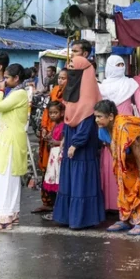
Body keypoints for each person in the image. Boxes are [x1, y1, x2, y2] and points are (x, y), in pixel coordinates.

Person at [94, 98, 140, 236]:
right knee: (123, 180)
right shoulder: (102, 130)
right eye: (96, 117)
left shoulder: (123, 126)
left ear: (111, 117)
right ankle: (125, 219)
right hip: (130, 153)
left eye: (99, 117)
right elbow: (111, 148)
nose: (96, 120)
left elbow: (135, 146)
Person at [53, 56, 105, 229]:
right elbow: (69, 120)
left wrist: (75, 144)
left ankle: (80, 219)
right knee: (71, 180)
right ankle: (68, 217)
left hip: (81, 148)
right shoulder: (72, 95)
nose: (70, 73)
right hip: (70, 144)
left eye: (73, 69)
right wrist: (65, 140)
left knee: (80, 181)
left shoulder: (88, 98)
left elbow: (86, 125)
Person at [0, 64, 31, 231]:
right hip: (9, 140)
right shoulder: (17, 93)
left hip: (10, 141)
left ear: (16, 79)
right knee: (9, 178)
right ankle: (11, 214)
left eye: (7, 78)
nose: (4, 81)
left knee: (5, 179)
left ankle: (4, 217)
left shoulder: (19, 93)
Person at [98, 55, 139, 212]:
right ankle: (111, 204)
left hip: (128, 130)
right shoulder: (102, 87)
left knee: (127, 165)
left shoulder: (130, 84)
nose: (121, 67)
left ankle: (127, 204)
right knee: (111, 164)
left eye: (122, 64)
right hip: (109, 131)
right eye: (117, 65)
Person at [34, 69, 67, 214]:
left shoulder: (70, 95)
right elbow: (48, 112)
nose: (60, 81)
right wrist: (44, 128)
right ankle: (47, 202)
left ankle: (58, 205)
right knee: (46, 168)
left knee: (58, 172)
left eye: (64, 78)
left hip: (61, 134)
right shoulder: (54, 91)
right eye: (59, 78)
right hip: (49, 132)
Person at [41, 102, 65, 208]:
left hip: (59, 155)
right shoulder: (55, 125)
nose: (53, 115)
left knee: (58, 180)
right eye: (51, 113)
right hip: (53, 156)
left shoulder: (64, 125)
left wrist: (56, 142)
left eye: (55, 112)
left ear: (62, 113)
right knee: (51, 179)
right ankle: (56, 207)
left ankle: (59, 207)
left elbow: (65, 141)